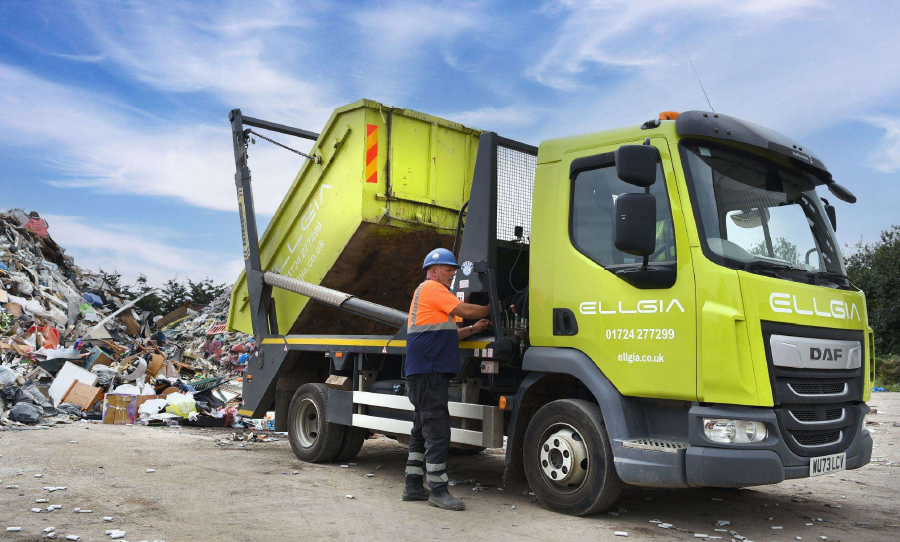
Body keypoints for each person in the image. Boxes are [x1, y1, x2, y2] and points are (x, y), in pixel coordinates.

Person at [401, 248, 491, 511]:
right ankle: (438, 491)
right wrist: (489, 308)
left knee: (420, 430)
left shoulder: (430, 297)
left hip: (423, 373)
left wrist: (473, 329)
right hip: (429, 373)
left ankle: (413, 486)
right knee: (437, 432)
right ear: (434, 270)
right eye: (449, 269)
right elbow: (463, 308)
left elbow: (446, 335)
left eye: (453, 269)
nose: (453, 274)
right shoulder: (432, 288)